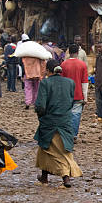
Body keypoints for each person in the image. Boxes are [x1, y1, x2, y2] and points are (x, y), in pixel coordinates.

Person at [34, 60, 82, 188]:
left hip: (49, 122)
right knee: (50, 149)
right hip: (65, 121)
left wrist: (40, 116)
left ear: (48, 71)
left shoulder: (45, 83)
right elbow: (71, 101)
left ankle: (66, 178)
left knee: (53, 150)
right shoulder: (70, 83)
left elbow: (41, 106)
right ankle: (44, 177)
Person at [60, 44, 89, 139]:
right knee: (76, 115)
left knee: (66, 115)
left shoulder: (63, 65)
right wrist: (85, 96)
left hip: (66, 94)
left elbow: (61, 81)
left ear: (69, 52)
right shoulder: (82, 65)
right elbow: (84, 82)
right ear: (77, 52)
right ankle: (74, 135)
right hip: (78, 94)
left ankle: (66, 133)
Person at [20, 44, 47, 109]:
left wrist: (21, 75)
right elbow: (43, 65)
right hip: (37, 74)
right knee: (36, 89)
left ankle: (28, 103)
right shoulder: (38, 56)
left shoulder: (25, 56)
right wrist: (42, 74)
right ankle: (35, 103)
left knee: (28, 88)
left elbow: (22, 66)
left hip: (28, 74)